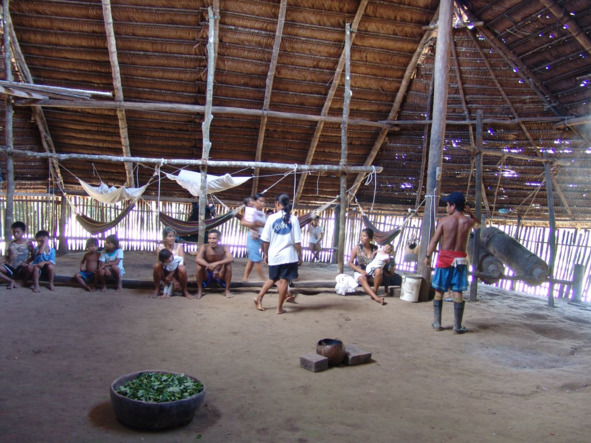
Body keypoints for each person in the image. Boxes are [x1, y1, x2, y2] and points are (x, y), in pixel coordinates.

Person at [424, 192, 480, 334]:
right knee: (457, 291)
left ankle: (437, 324)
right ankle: (457, 326)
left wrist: (427, 256)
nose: (446, 207)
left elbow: (434, 241)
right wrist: (470, 212)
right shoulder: (468, 222)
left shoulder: (444, 221)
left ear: (453, 206)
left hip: (444, 258)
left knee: (439, 291)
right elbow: (478, 224)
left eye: (447, 205)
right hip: (460, 260)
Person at [254, 193, 302, 314]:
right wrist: (300, 255)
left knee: (273, 278)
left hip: (274, 255)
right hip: (289, 256)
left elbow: (265, 240)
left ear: (277, 203)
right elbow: (297, 242)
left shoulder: (271, 218)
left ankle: (258, 297)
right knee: (284, 281)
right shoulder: (294, 219)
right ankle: (279, 309)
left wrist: (266, 254)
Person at [347, 228, 387, 305]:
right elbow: (350, 262)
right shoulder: (357, 248)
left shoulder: (375, 248)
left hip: (371, 272)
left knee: (379, 270)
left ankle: (374, 292)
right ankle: (376, 298)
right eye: (361, 236)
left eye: (364, 236)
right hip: (360, 272)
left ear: (370, 238)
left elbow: (380, 260)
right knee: (362, 278)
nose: (361, 237)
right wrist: (361, 271)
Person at [152, 227, 191, 298]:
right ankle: (157, 289)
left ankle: (184, 290)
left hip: (176, 272)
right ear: (164, 238)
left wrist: (172, 276)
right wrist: (170, 277)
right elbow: (161, 263)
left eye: (173, 236)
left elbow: (182, 262)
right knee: (157, 266)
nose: (172, 238)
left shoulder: (179, 246)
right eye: (169, 236)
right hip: (165, 274)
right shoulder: (160, 248)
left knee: (182, 268)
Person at [195, 229, 234, 299]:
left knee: (228, 265)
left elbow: (231, 259)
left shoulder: (224, 247)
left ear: (219, 239)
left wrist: (217, 263)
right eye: (209, 238)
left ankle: (227, 290)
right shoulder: (204, 247)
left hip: (220, 274)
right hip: (207, 273)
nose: (211, 241)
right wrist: (209, 266)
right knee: (199, 267)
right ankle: (200, 290)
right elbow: (198, 259)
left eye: (214, 238)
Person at [0, 221, 33, 289]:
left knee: (30, 268)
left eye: (18, 232)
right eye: (14, 232)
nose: (15, 234)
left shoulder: (28, 243)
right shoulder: (11, 243)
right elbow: (7, 256)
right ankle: (10, 281)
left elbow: (35, 256)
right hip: (10, 267)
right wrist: (1, 261)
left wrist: (26, 262)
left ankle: (23, 282)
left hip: (22, 267)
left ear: (23, 232)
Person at [241, 193, 266, 281]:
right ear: (254, 201)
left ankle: (245, 278)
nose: (262, 203)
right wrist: (254, 224)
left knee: (251, 259)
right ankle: (264, 279)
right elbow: (243, 222)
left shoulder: (262, 213)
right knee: (256, 259)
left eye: (263, 202)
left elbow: (264, 225)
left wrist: (262, 225)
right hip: (253, 237)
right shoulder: (250, 211)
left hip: (261, 237)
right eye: (260, 201)